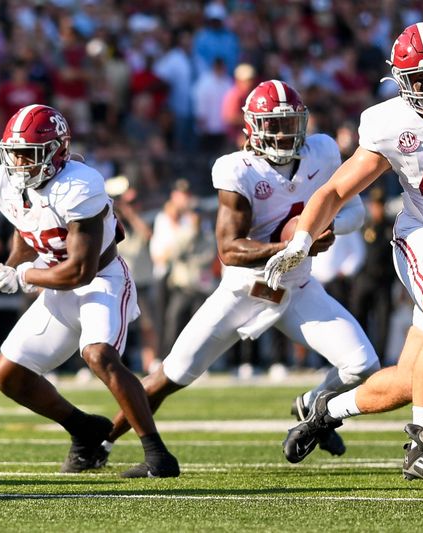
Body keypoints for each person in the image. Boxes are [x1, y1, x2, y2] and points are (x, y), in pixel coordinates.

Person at [75, 81, 382, 472]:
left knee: (362, 366)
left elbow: (353, 212)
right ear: (253, 127)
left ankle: (313, 405)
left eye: (291, 122)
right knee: (172, 374)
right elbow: (230, 249)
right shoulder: (237, 169)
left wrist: (327, 229)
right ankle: (101, 444)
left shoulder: (321, 150)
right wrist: (290, 247)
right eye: (275, 124)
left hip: (297, 288)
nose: (286, 133)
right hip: (244, 292)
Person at [264, 22, 423, 479]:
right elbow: (336, 191)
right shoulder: (391, 122)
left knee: (409, 378)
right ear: (401, 82)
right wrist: (300, 241)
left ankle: (325, 410)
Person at [0, 104, 178, 478]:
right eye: (14, 153)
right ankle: (84, 430)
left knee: (98, 354)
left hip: (102, 280)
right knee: (7, 374)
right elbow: (26, 229)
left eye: (29, 153)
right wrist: (13, 263)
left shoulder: (80, 184)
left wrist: (25, 276)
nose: (20, 163)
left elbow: (80, 270)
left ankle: (157, 454)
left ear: (57, 151)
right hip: (58, 286)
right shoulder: (4, 182)